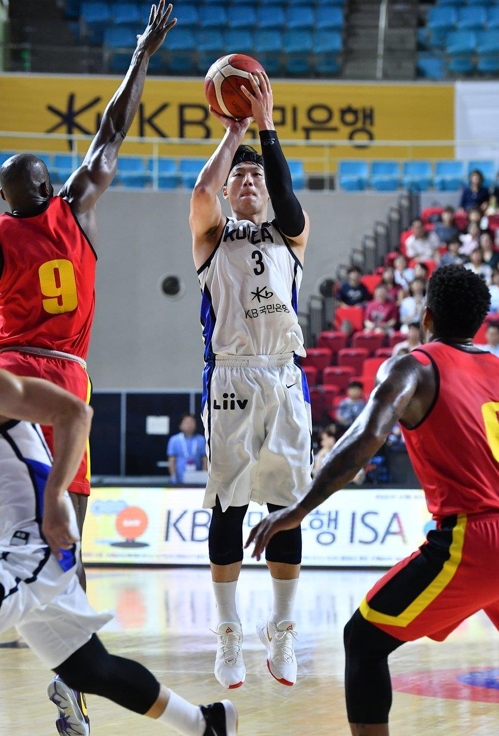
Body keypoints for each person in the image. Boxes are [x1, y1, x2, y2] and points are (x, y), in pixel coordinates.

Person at [246, 264, 499, 736]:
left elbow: (367, 435)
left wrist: (299, 507)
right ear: (480, 322)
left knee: (362, 639)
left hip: (477, 537)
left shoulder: (414, 366)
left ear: (425, 317)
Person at [0, 0, 176, 590]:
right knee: (70, 491)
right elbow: (111, 131)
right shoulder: (74, 208)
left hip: (8, 366)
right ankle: (73, 602)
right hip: (65, 370)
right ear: (49, 184)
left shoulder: (1, 231)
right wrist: (138, 56)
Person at [0, 368, 237, 736]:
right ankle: (204, 723)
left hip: (34, 541)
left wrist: (55, 495)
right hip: (8, 547)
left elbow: (76, 413)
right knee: (89, 669)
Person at [189, 71, 310, 689]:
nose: (247, 179)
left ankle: (282, 632)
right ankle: (229, 632)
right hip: (232, 379)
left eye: (255, 173)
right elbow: (199, 193)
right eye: (240, 174)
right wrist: (233, 132)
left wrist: (265, 130)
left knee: (286, 508)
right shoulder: (212, 236)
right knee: (230, 508)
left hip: (285, 378)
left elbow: (288, 199)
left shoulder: (291, 229)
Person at [167, 413, 207, 483]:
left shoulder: (201, 440)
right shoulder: (174, 440)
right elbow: (171, 460)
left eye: (192, 422)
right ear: (180, 425)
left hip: (197, 479)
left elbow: (205, 459)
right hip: (179, 479)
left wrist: (204, 475)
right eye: (186, 422)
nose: (189, 425)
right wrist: (173, 476)